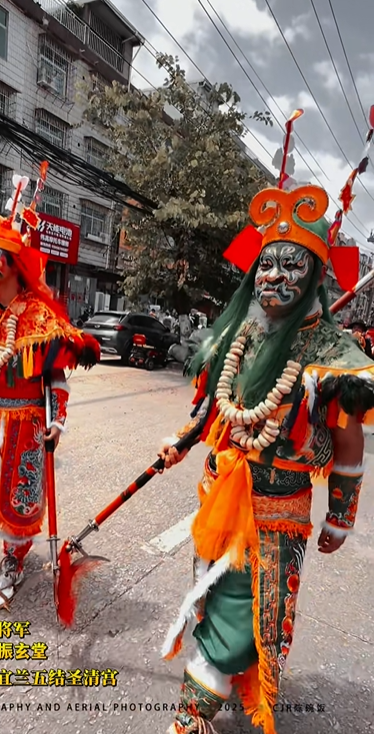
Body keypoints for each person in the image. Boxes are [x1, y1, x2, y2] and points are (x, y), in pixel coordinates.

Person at [158, 183, 374, 734]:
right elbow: (215, 406)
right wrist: (182, 441)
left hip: (276, 515)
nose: (274, 277)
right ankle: (216, 686)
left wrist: (340, 513)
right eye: (267, 265)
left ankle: (195, 711)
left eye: (291, 265)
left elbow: (347, 441)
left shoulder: (332, 354)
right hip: (219, 497)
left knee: (246, 613)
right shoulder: (242, 334)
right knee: (215, 600)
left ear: (316, 275)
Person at [0, 171, 100, 611]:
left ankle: (12, 562)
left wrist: (58, 421)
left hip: (26, 421)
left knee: (18, 497)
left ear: (14, 262)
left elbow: (56, 377)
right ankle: (13, 554)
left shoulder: (37, 315)